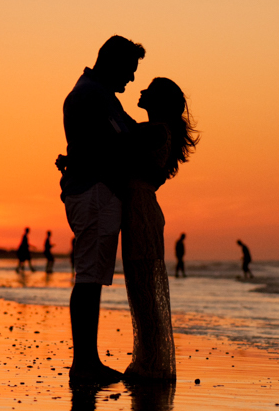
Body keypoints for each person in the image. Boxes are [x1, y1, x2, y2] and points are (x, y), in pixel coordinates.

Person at [57, 35, 146, 384]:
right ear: (112, 63)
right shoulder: (92, 95)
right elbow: (122, 142)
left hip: (91, 190)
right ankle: (84, 364)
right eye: (130, 70)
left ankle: (87, 361)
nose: (132, 79)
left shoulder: (97, 93)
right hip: (94, 191)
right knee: (89, 278)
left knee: (91, 277)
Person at [120, 77, 197, 383]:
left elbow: (121, 138)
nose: (142, 91)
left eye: (150, 90)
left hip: (140, 209)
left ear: (159, 101)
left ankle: (150, 363)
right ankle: (149, 360)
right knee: (142, 289)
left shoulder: (155, 130)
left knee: (143, 290)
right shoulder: (160, 131)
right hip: (142, 208)